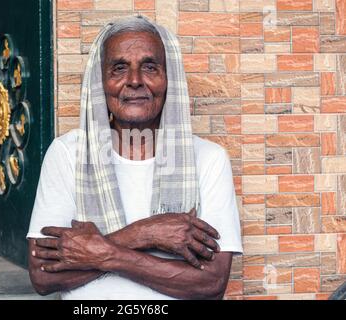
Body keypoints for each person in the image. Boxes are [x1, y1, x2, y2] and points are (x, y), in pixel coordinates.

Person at [26, 16, 242, 300]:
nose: (135, 81)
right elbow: (43, 276)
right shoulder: (67, 154)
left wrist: (99, 250)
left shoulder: (209, 159)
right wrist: (145, 233)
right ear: (100, 82)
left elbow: (210, 283)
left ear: (169, 80)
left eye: (150, 67)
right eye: (119, 68)